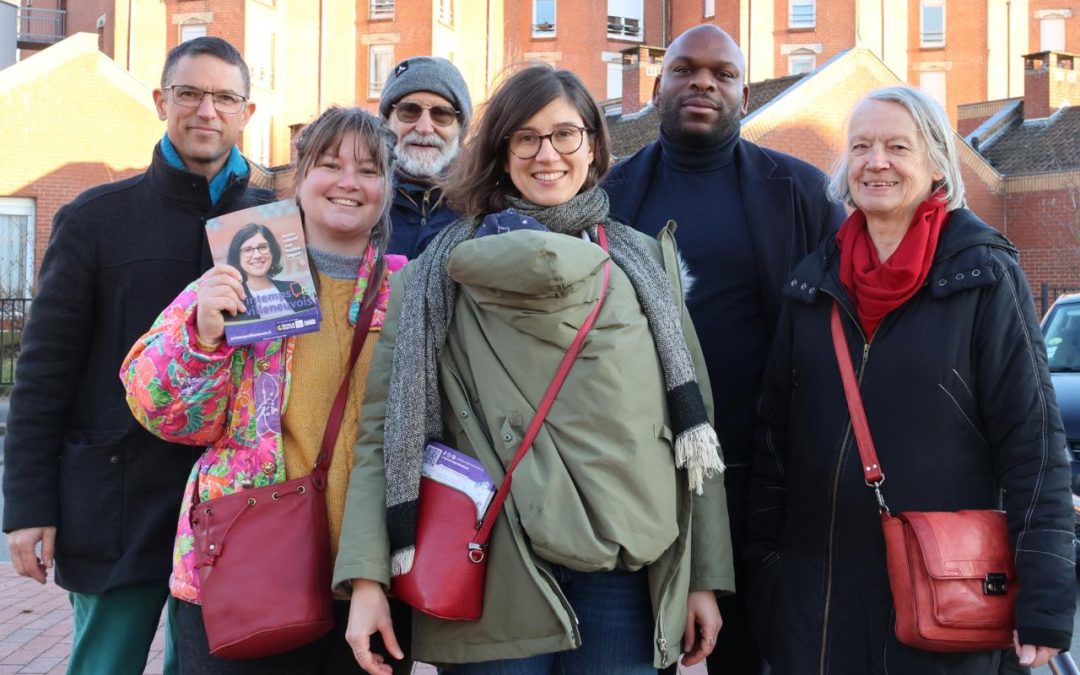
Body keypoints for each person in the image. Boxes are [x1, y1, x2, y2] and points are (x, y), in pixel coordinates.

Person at [334, 65, 736, 675]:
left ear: (595, 145)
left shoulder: (646, 264)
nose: (546, 154)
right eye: (525, 137)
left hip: (621, 571)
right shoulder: (434, 277)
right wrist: (366, 580)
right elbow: (384, 432)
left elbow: (694, 433)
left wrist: (702, 577)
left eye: (565, 134)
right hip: (493, 565)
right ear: (500, 150)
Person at [746, 85, 1075, 674]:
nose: (877, 161)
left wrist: (1047, 598)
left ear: (936, 166)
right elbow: (773, 444)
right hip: (817, 611)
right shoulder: (812, 286)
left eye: (898, 146)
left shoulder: (983, 277)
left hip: (944, 603)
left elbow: (1034, 444)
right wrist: (765, 576)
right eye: (862, 146)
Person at [2, 36, 268, 675]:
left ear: (246, 113)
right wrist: (28, 507)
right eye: (190, 94)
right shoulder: (96, 219)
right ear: (161, 101)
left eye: (224, 97)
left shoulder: (275, 222)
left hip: (229, 507)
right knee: (104, 665)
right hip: (116, 497)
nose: (206, 110)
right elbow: (43, 373)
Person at [120, 106, 410, 673]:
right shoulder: (241, 273)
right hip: (246, 570)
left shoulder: (409, 289)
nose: (349, 182)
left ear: (387, 187)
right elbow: (163, 413)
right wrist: (202, 337)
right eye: (330, 164)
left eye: (369, 169)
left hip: (367, 579)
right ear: (300, 177)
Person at [602, 24, 846, 674]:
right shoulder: (606, 198)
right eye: (684, 69)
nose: (703, 82)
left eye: (722, 73)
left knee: (745, 650)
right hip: (638, 474)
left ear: (745, 91)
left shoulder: (805, 194)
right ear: (657, 87)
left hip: (761, 475)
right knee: (639, 647)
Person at [378, 56, 472, 257]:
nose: (424, 128)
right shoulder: (352, 194)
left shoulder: (486, 203)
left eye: (442, 114)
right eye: (409, 111)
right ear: (386, 122)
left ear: (460, 128)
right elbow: (295, 282)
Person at [225, 222, 310, 319]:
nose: (257, 255)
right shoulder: (233, 298)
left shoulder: (294, 288)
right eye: (247, 250)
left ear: (272, 251)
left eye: (262, 247)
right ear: (237, 257)